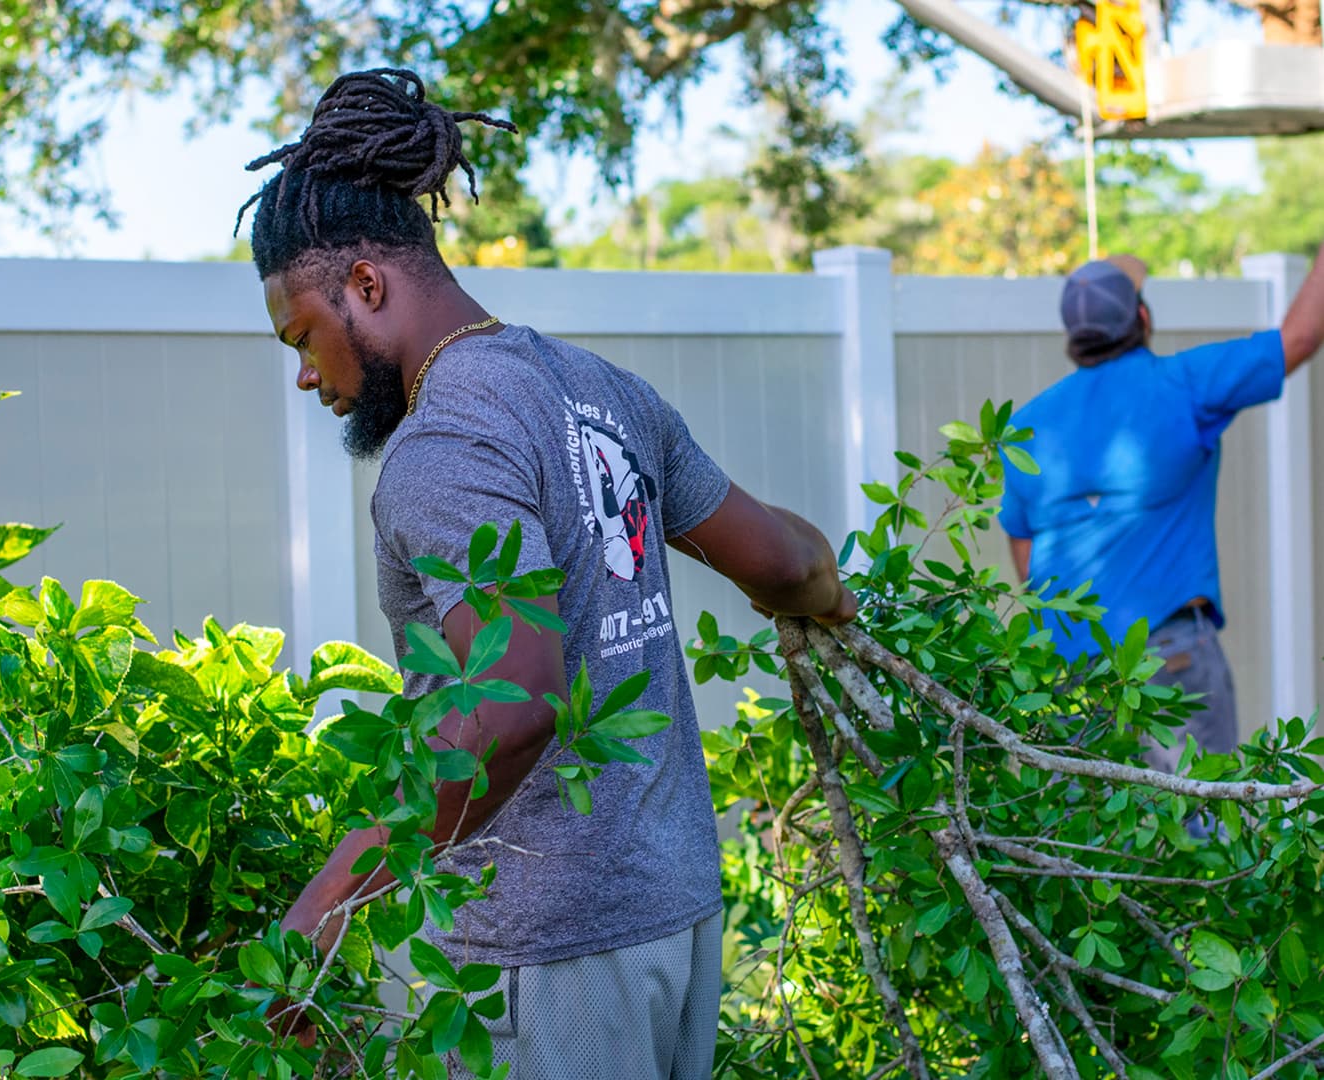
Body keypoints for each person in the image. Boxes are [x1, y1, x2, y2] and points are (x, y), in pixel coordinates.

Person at [234, 69, 856, 1078]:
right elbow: (785, 560)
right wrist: (833, 602)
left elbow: (515, 704)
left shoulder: (439, 450)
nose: (307, 374)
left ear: (364, 284)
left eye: (300, 335)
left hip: (549, 958)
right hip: (676, 922)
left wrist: (320, 912)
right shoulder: (602, 391)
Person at [1000, 249, 1324, 772]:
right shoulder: (1184, 385)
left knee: (1092, 841)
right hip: (1167, 653)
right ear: (1143, 318)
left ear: (1074, 338)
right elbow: (1301, 337)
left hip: (1073, 671)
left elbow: (1027, 559)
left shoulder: (1025, 429)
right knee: (1202, 830)